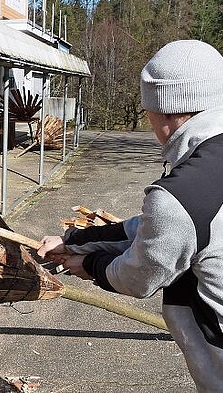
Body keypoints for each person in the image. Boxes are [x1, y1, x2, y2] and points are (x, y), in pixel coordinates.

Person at [37, 40, 223, 392]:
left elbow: (140, 276)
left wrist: (89, 266)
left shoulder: (179, 196)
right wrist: (74, 241)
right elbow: (156, 229)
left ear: (166, 110)